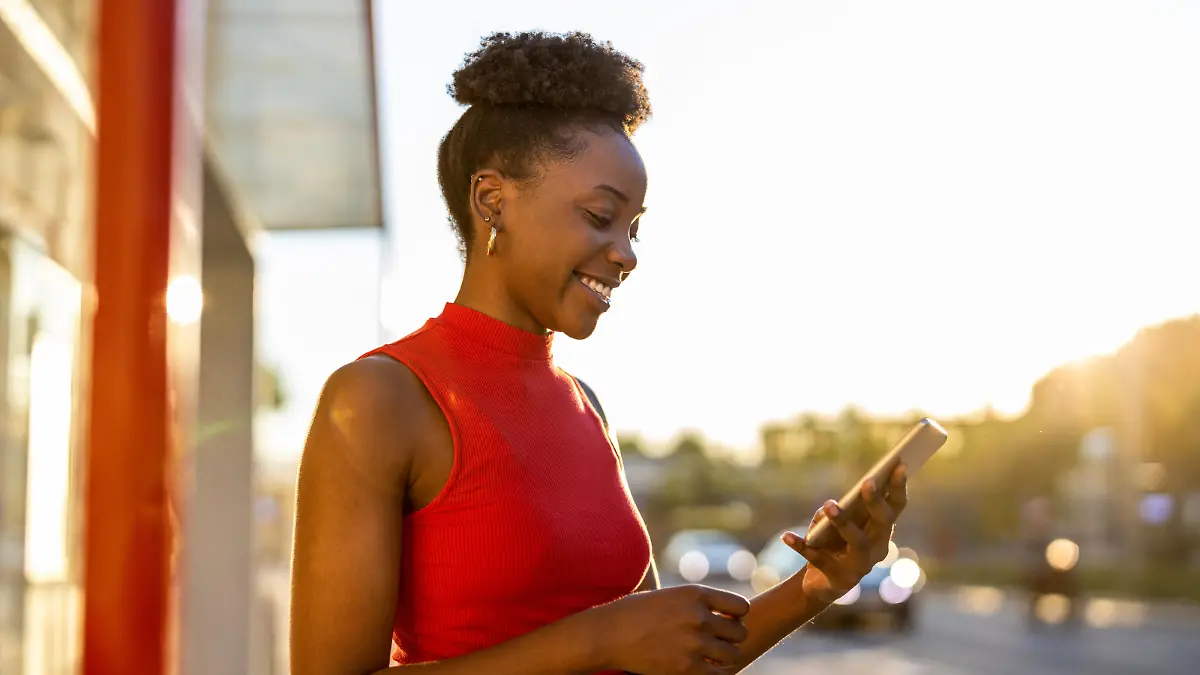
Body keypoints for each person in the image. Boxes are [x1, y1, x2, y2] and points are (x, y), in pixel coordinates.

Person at [289, 31, 909, 675]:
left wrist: (814, 588)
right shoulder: (380, 397)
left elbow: (668, 652)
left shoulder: (585, 406)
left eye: (634, 227)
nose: (627, 254)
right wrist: (598, 640)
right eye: (599, 215)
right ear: (492, 200)